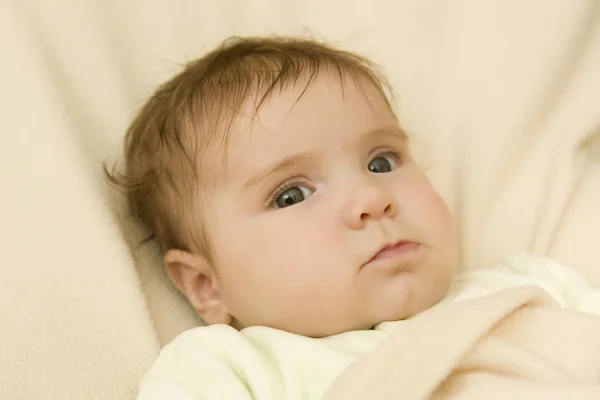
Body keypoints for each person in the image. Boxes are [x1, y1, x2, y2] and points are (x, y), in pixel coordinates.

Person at [106, 36, 599, 399]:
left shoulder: (527, 287)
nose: (370, 197)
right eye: (291, 195)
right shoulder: (231, 369)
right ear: (206, 286)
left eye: (381, 162)